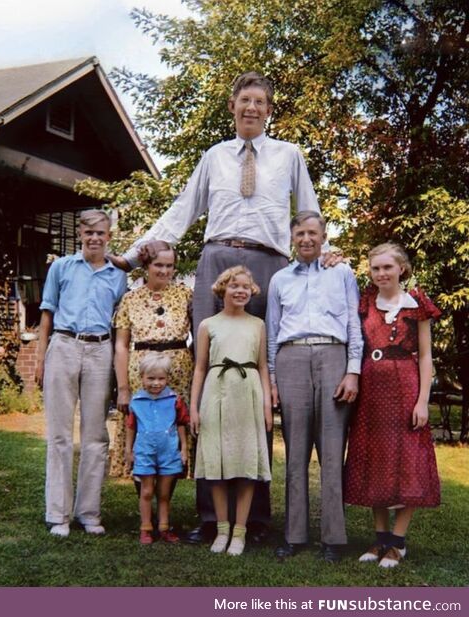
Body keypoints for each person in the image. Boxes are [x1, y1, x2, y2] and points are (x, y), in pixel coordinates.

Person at [110, 71, 327, 543]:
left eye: (260, 102)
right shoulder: (213, 157)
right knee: (211, 382)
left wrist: (326, 253)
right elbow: (182, 211)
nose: (252, 108)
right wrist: (131, 254)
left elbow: (308, 214)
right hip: (217, 257)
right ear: (232, 106)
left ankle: (258, 518)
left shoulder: (289, 156)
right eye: (244, 100)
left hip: (269, 262)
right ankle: (211, 518)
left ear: (270, 110)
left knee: (256, 381)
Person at [266, 211, 363, 563]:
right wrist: (274, 380)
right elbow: (273, 332)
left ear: (324, 236)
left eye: (312, 233)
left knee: (332, 450)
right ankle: (294, 535)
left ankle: (334, 538)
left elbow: (354, 323)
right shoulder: (280, 279)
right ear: (292, 238)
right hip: (292, 359)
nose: (306, 239)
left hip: (333, 357)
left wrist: (352, 371)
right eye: (299, 234)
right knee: (295, 452)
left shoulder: (341, 272)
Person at [344, 243, 441, 568]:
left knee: (406, 460)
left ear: (402, 268)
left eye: (388, 267)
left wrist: (422, 401)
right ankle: (380, 537)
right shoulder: (365, 302)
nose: (381, 273)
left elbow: (426, 355)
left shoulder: (417, 305)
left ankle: (398, 542)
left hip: (406, 389)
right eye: (375, 268)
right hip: (372, 390)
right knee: (376, 459)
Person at [36, 210, 127, 537]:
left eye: (100, 233)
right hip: (63, 345)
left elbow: (120, 323)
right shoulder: (61, 267)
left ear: (109, 236)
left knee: (95, 435)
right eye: (89, 232)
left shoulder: (118, 276)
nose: (94, 238)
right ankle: (58, 514)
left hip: (100, 350)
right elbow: (47, 314)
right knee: (59, 434)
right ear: (80, 234)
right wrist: (41, 358)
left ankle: (88, 512)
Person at [190, 266, 272, 556]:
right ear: (222, 289)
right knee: (218, 464)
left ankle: (240, 532)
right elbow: (200, 368)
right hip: (216, 393)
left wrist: (266, 404)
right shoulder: (208, 325)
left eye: (245, 287)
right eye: (234, 285)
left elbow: (262, 366)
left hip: (247, 393)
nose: (240, 291)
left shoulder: (257, 325)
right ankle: (222, 529)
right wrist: (194, 407)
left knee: (245, 465)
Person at [111, 241, 193, 479]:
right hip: (141, 371)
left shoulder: (185, 294)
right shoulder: (131, 299)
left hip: (178, 372)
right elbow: (121, 345)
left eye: (170, 266)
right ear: (146, 265)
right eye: (159, 265)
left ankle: (167, 502)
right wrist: (123, 388)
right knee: (145, 430)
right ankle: (145, 500)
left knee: (172, 429)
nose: (164, 271)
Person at [125, 352, 189, 545]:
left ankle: (164, 528)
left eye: (161, 378)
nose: (156, 383)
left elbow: (180, 424)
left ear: (168, 378)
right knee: (146, 491)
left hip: (168, 452)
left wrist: (183, 448)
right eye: (151, 378)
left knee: (163, 493)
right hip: (145, 452)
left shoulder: (174, 400)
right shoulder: (136, 402)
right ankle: (145, 528)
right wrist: (129, 451)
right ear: (142, 377)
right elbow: (131, 427)